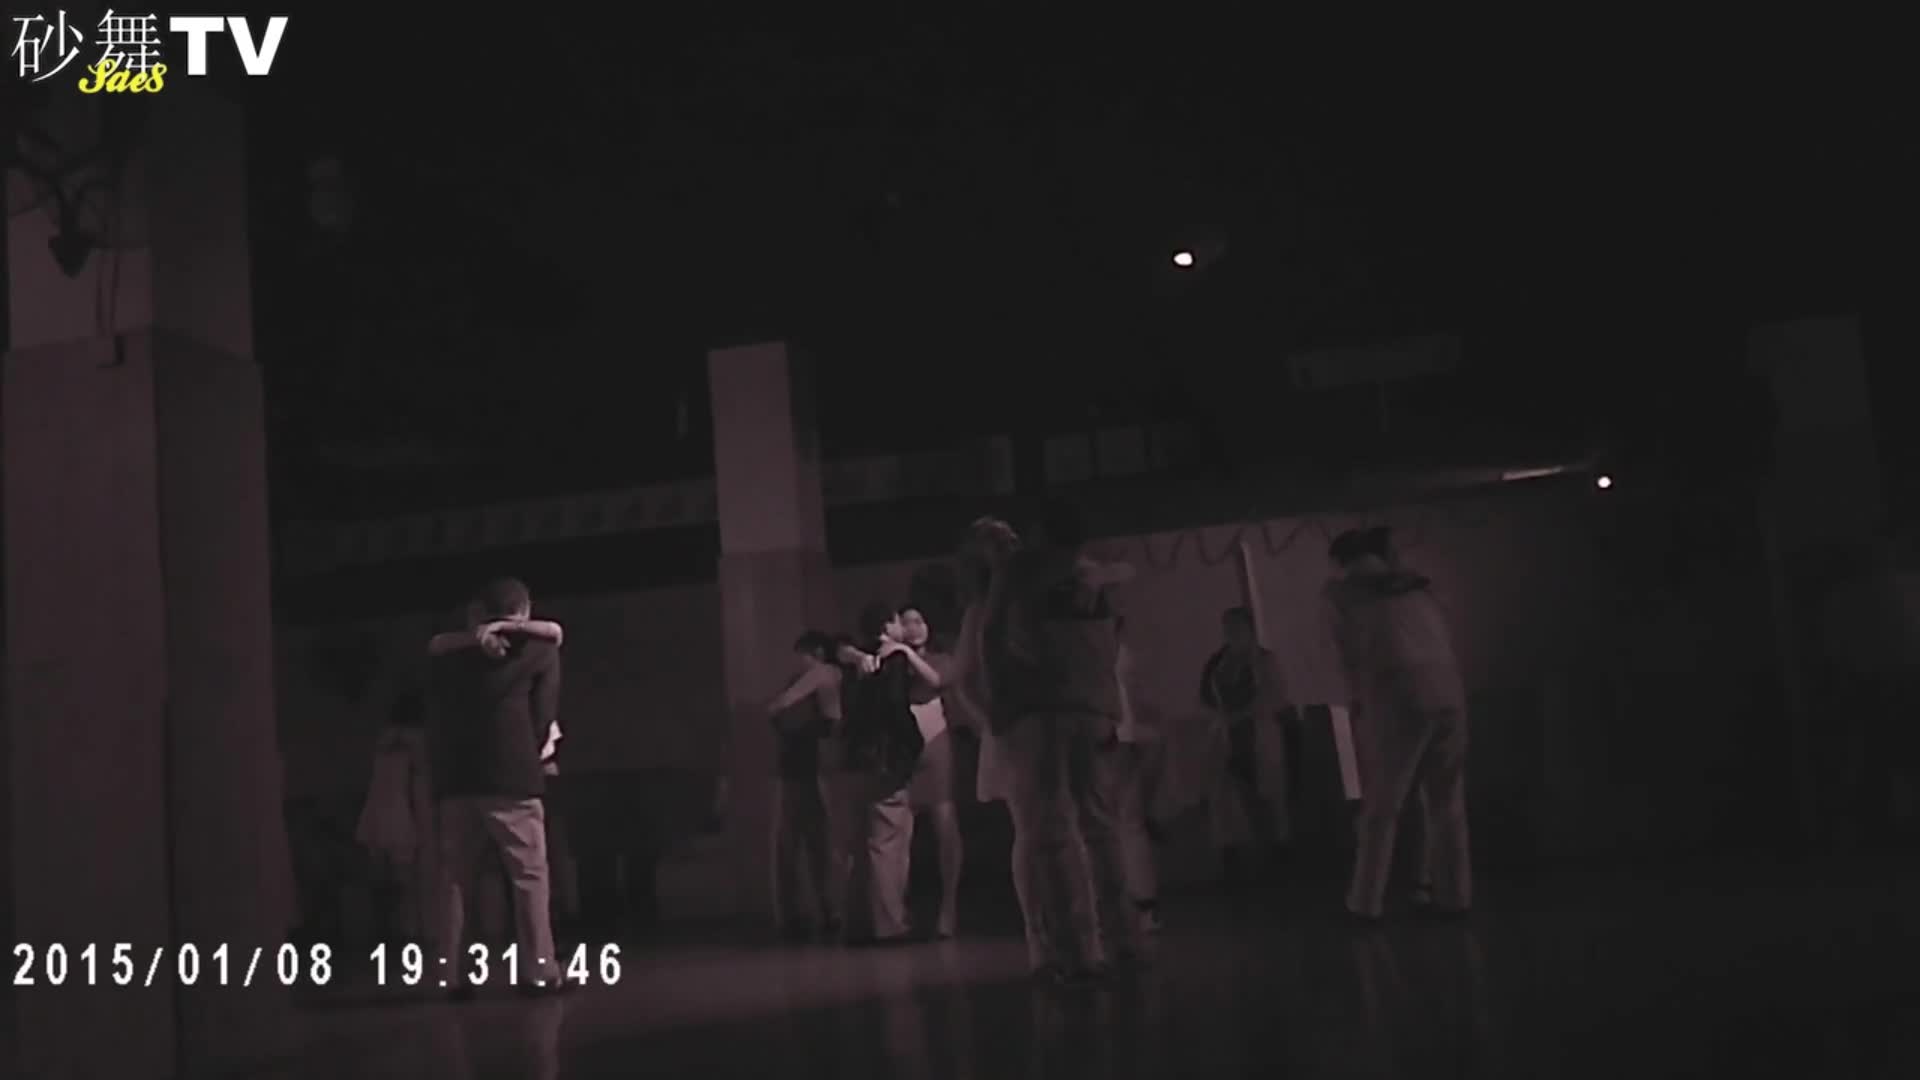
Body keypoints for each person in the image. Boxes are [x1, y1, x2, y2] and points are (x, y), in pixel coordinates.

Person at [985, 499, 1143, 982]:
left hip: (1040, 712)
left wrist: (999, 708)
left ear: (1038, 534)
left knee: (1051, 833)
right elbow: (1114, 633)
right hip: (1094, 710)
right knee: (1102, 828)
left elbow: (995, 639)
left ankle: (1074, 949)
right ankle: (1124, 939)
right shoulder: (1094, 579)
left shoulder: (1020, 576)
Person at [427, 577, 566, 996]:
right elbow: (543, 714)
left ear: (478, 611)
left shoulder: (449, 653)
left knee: (456, 878)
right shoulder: (538, 650)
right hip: (514, 775)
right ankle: (539, 971)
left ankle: (452, 975)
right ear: (524, 610)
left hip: (457, 776)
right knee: (528, 877)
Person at [1325, 526, 1471, 922]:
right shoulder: (1417, 588)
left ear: (1341, 560)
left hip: (1396, 692)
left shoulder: (1341, 594)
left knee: (1381, 808)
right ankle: (1456, 897)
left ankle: (1365, 903)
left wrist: (1356, 703)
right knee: (1446, 802)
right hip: (1449, 689)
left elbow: (1345, 657)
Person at [840, 602, 924, 944]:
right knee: (888, 841)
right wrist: (913, 742)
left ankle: (857, 923)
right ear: (888, 625)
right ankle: (890, 924)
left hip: (856, 759)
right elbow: (894, 707)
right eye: (900, 621)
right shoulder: (894, 659)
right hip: (886, 759)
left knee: (860, 843)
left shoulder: (855, 660)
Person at [1198, 606, 1293, 885]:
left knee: (1268, 795)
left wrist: (1244, 714)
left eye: (1237, 627)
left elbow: (1276, 696)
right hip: (1224, 734)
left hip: (1258, 731)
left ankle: (1278, 858)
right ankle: (1232, 862)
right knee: (1224, 798)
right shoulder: (1217, 662)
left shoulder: (1265, 660)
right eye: (1228, 627)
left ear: (1250, 629)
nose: (1231, 633)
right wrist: (1220, 717)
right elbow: (1204, 696)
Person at [764, 630, 842, 939]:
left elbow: (777, 710)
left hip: (801, 768)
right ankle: (826, 908)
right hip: (810, 768)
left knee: (794, 842)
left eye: (803, 656)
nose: (799, 663)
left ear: (817, 653)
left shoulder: (817, 677)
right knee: (817, 841)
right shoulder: (823, 680)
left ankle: (798, 912)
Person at [355, 689, 434, 944]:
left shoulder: (383, 741)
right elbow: (419, 779)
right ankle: (407, 930)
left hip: (377, 809)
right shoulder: (416, 741)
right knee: (404, 879)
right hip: (401, 812)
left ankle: (384, 930)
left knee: (381, 876)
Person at [1111, 616, 1165, 932]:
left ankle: (1139, 904)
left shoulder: (1112, 657)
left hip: (1115, 741)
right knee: (1129, 825)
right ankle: (1142, 904)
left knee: (1124, 825)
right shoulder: (1123, 657)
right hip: (1122, 740)